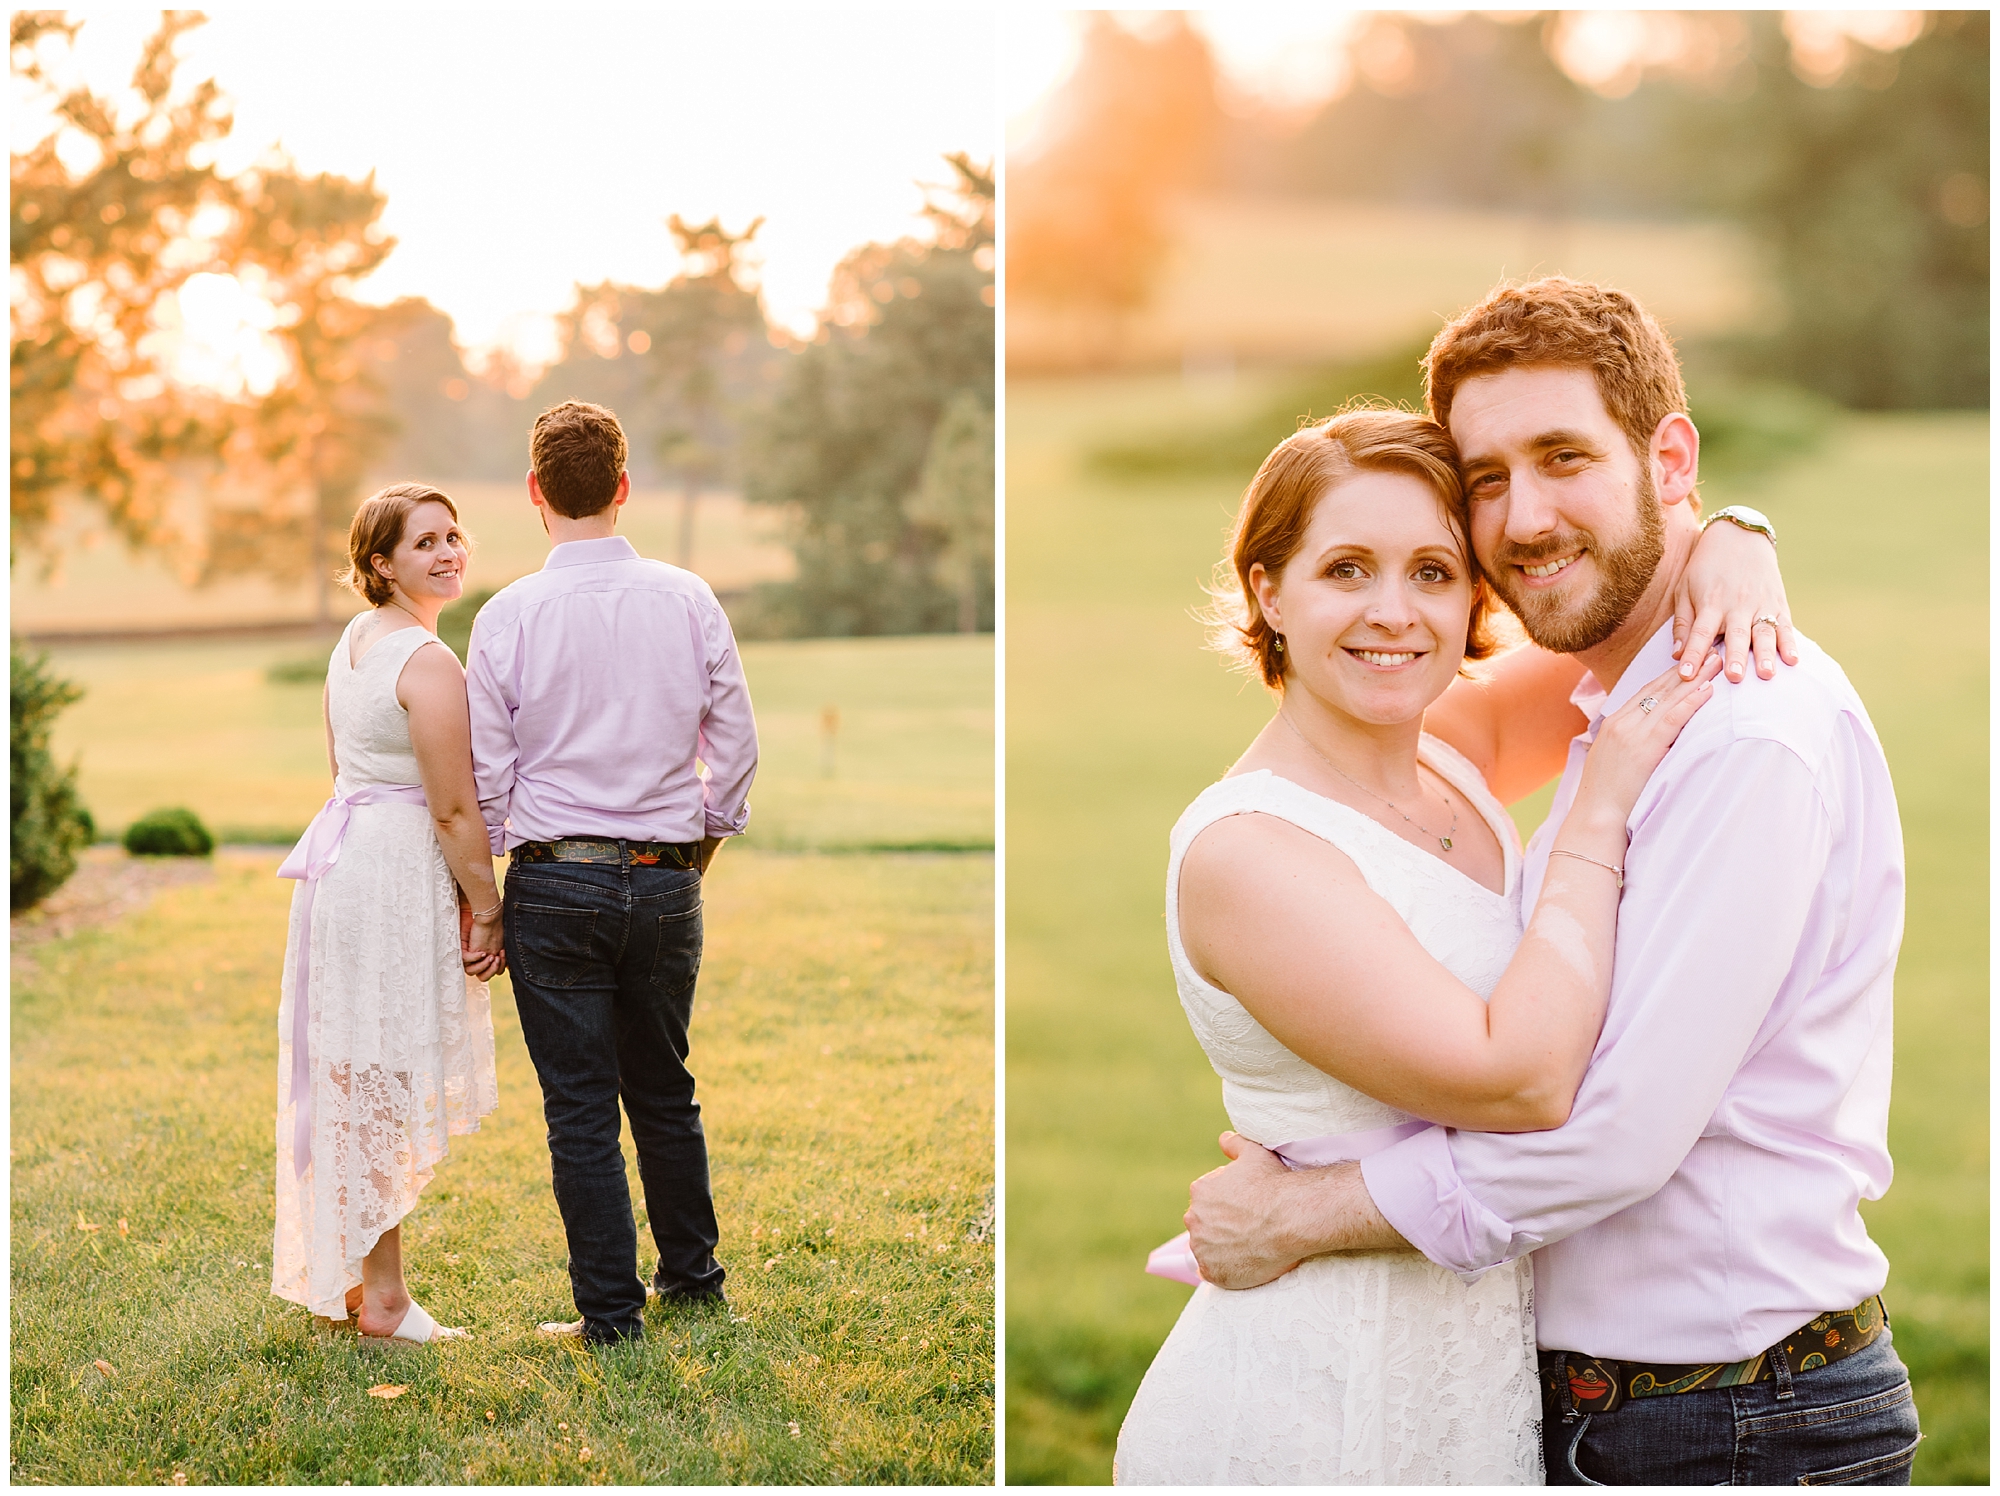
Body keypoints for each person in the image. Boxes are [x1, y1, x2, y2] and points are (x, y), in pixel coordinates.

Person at [1180, 279, 1917, 1486]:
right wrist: (1727, 533)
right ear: (1266, 586)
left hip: (1728, 1417)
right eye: (1485, 478)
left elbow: (1610, 1132)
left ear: (1664, 458)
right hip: (1556, 1402)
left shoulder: (1737, 734)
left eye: (1562, 456)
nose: (1523, 517)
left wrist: (1305, 1211)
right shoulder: (1602, 697)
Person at [466, 399, 757, 1345]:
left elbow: (488, 774)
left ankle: (611, 1317)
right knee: (665, 1087)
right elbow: (736, 748)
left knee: (581, 1108)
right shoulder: (688, 597)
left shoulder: (506, 616)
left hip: (554, 881)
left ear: (535, 492)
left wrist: (500, 884)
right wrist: (696, 847)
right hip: (666, 877)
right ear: (624, 486)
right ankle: (694, 1283)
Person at [272, 483, 503, 1343]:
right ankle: (386, 1299)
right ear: (382, 563)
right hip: (393, 876)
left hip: (345, 868)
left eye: (453, 536)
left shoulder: (353, 641)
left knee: (355, 1073)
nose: (448, 553)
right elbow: (453, 807)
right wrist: (487, 906)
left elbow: (342, 767)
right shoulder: (428, 661)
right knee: (381, 1079)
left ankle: (358, 1282)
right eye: (424, 543)